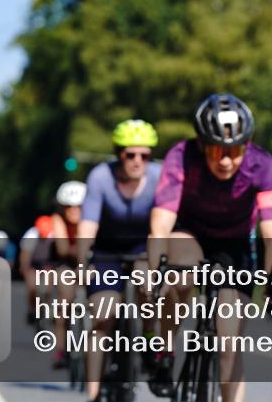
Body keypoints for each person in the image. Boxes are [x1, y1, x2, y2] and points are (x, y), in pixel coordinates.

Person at [149, 93, 272, 402]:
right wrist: (157, 272)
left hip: (235, 244)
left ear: (246, 145)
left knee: (229, 343)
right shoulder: (181, 156)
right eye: (216, 150)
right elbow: (161, 222)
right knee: (178, 277)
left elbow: (271, 231)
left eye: (234, 151)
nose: (225, 160)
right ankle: (164, 352)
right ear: (201, 144)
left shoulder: (262, 164)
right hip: (190, 232)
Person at [77, 119, 162, 402]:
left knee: (147, 289)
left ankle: (149, 340)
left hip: (143, 248)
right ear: (118, 154)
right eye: (130, 155)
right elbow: (88, 224)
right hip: (106, 251)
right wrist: (82, 262)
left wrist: (157, 263)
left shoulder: (160, 176)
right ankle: (92, 391)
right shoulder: (101, 177)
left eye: (145, 155)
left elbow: (164, 224)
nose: (138, 161)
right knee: (102, 317)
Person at [49, 180, 86, 369]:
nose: (74, 210)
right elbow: (63, 249)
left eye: (78, 206)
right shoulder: (58, 220)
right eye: (68, 207)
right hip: (67, 264)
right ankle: (61, 349)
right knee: (64, 300)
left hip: (91, 262)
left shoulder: (93, 217)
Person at [19, 214, 55, 325]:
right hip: (34, 265)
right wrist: (25, 269)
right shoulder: (31, 234)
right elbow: (25, 255)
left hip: (49, 265)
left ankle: (47, 309)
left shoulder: (54, 234)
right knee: (32, 287)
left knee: (48, 289)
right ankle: (32, 308)